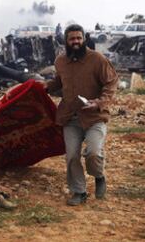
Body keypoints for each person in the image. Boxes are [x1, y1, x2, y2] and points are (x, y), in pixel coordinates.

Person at [45, 24, 118, 206]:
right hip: (70, 117)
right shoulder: (60, 61)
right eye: (72, 39)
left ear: (84, 39)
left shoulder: (97, 59)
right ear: (66, 41)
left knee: (93, 153)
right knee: (71, 157)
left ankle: (99, 176)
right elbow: (58, 82)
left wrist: (100, 102)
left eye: (79, 38)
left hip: (95, 116)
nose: (76, 42)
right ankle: (79, 191)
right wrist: (45, 87)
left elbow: (111, 82)